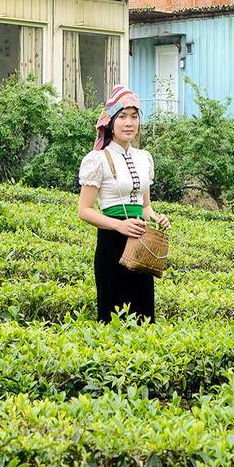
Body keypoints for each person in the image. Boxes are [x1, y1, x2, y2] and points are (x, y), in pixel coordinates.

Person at [77, 85, 171, 323]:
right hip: (112, 244)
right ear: (110, 122)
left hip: (140, 244)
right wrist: (119, 226)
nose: (129, 123)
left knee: (144, 318)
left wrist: (156, 217)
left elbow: (146, 205)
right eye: (122, 116)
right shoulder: (98, 159)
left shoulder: (143, 158)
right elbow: (84, 211)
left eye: (134, 116)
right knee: (113, 318)